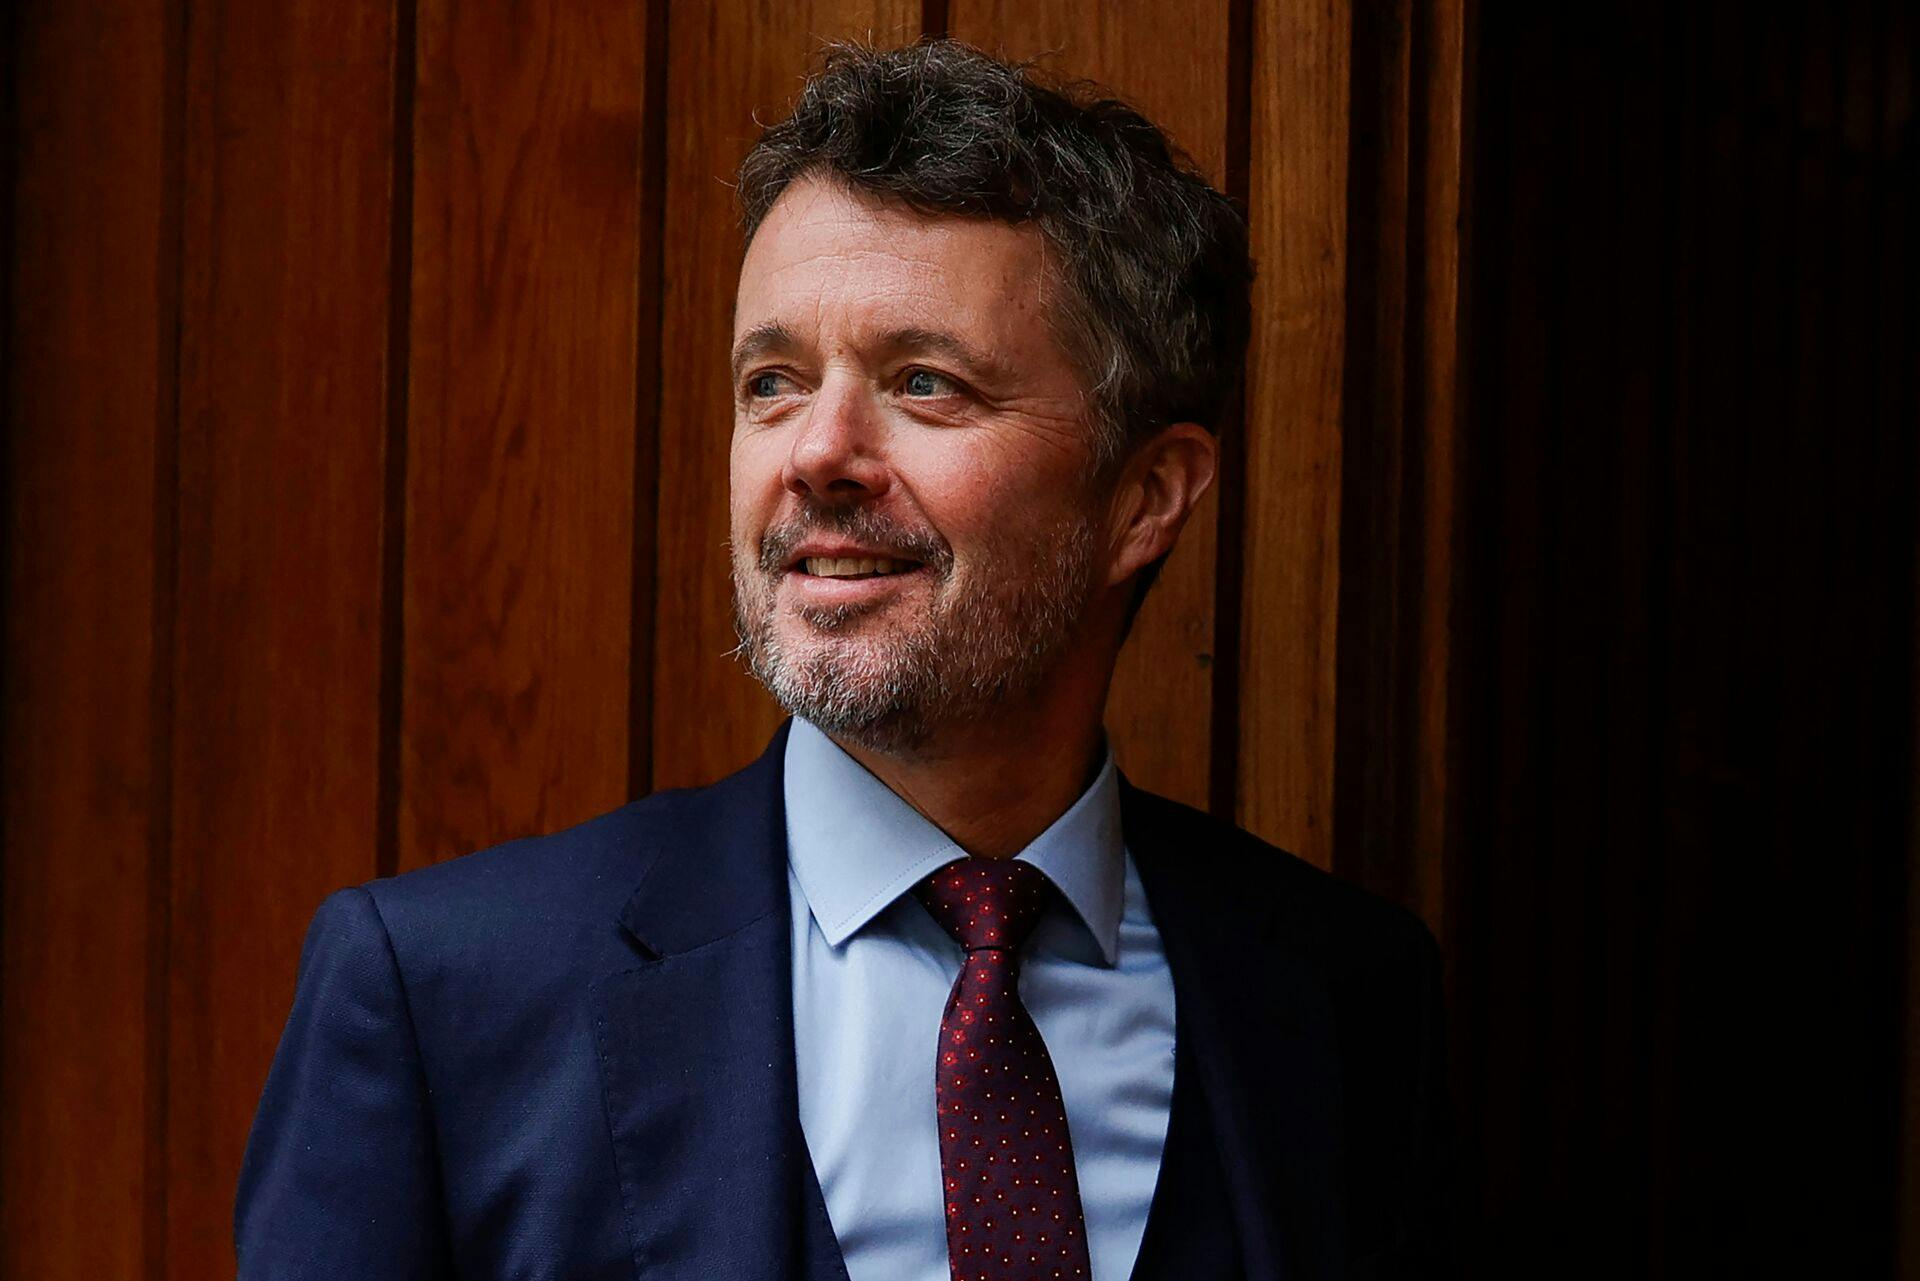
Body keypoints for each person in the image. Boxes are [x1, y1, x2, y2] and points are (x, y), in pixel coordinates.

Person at [236, 39, 1449, 1281]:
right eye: (772, 382)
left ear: (1146, 498)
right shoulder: (440, 998)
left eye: (923, 383)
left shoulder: (1345, 998)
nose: (816, 452)